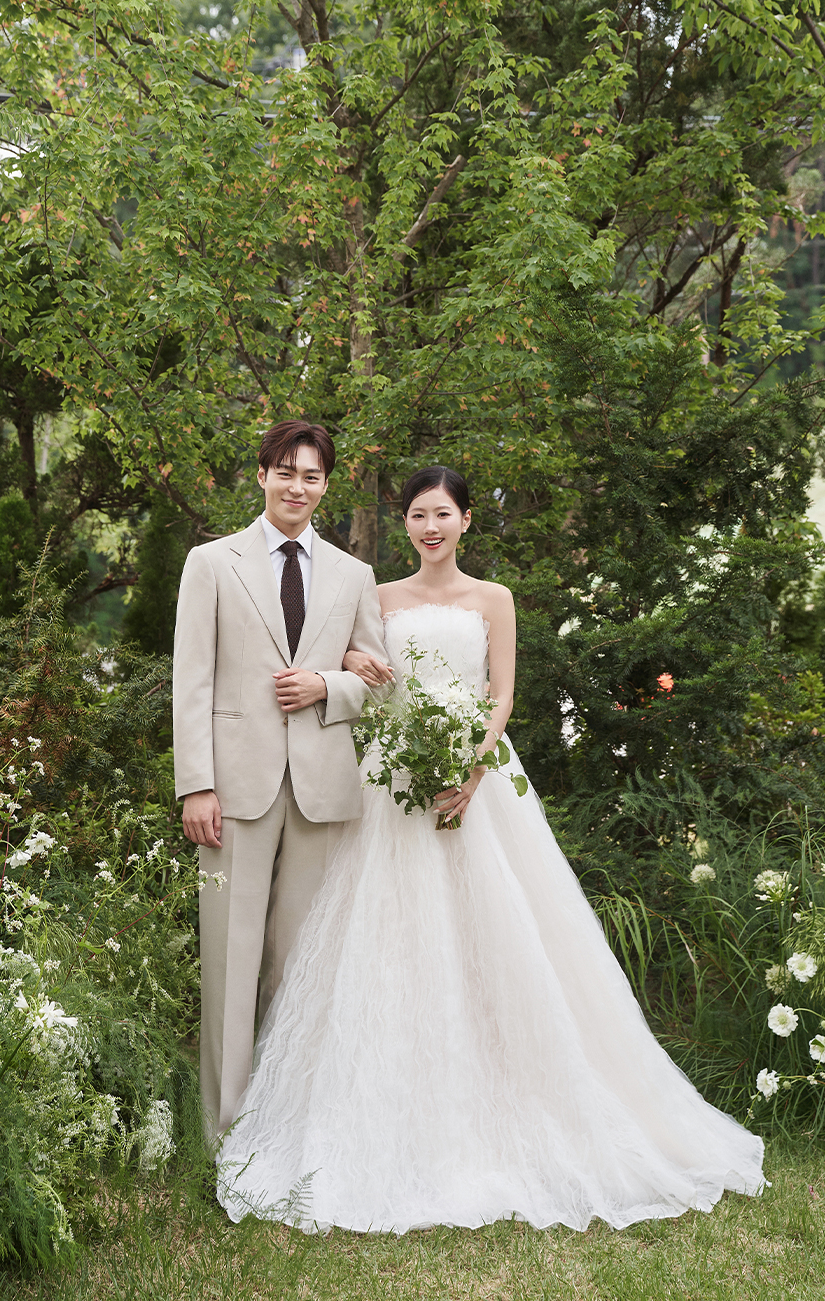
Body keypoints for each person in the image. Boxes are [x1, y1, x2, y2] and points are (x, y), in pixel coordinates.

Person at [216, 465, 765, 1234]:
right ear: (404, 523)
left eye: (442, 514)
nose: (429, 527)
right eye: (417, 515)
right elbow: (360, 677)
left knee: (500, 937)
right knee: (388, 942)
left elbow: (500, 693)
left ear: (467, 520)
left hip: (477, 779)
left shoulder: (494, 599)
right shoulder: (378, 597)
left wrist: (472, 767)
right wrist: (347, 672)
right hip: (393, 781)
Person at [173, 420, 392, 1137]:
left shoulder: (353, 575)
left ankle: (285, 1125)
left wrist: (329, 685)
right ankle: (223, 1131)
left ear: (326, 486)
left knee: (300, 964)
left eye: (312, 476)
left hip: (323, 789)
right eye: (287, 472)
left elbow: (382, 684)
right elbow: (191, 681)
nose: (298, 487)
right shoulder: (212, 563)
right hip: (234, 786)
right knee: (230, 961)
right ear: (263, 474)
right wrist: (195, 784)